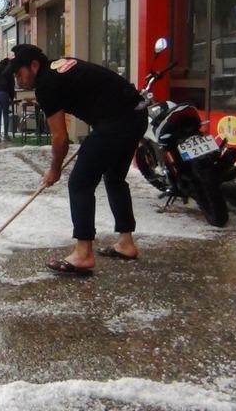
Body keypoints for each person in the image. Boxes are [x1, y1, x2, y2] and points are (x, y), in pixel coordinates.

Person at [11, 44, 148, 276]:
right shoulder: (59, 67)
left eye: (19, 72)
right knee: (114, 178)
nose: (17, 79)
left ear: (34, 66)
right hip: (135, 115)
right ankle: (126, 243)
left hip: (116, 121)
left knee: (79, 184)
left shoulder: (46, 84)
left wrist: (54, 170)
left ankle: (83, 253)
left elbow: (60, 139)